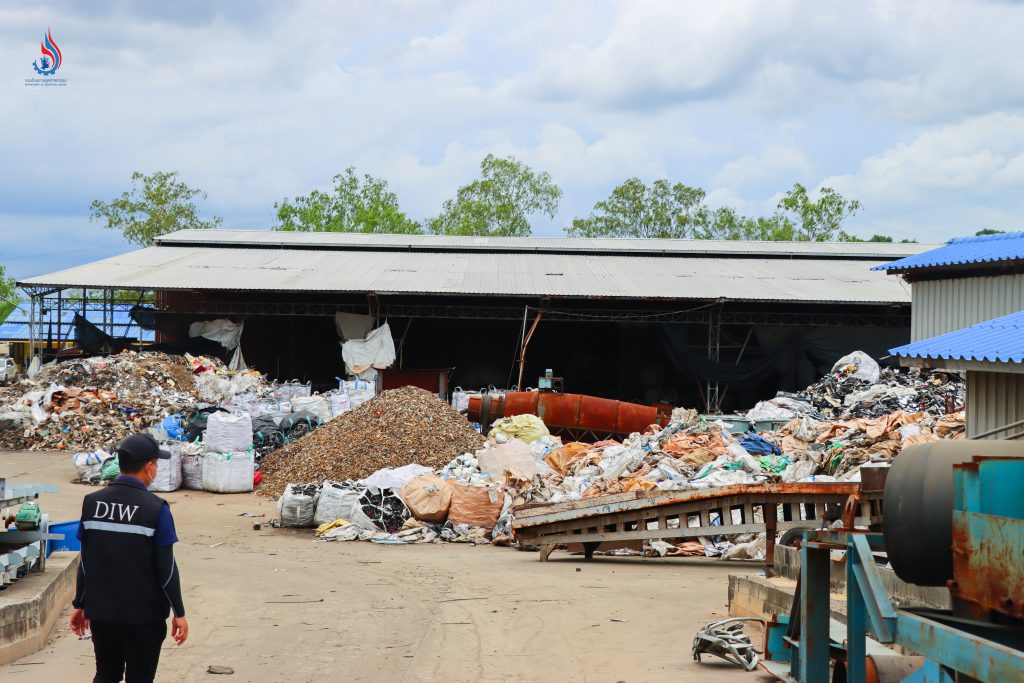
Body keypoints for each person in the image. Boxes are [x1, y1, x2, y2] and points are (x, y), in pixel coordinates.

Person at [69, 433, 189, 683]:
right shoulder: (156, 508)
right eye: (156, 464)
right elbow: (166, 569)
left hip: (102, 614)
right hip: (144, 617)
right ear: (148, 467)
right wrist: (179, 612)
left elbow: (86, 560)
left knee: (106, 674)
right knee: (140, 678)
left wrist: (80, 603)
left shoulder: (92, 502)